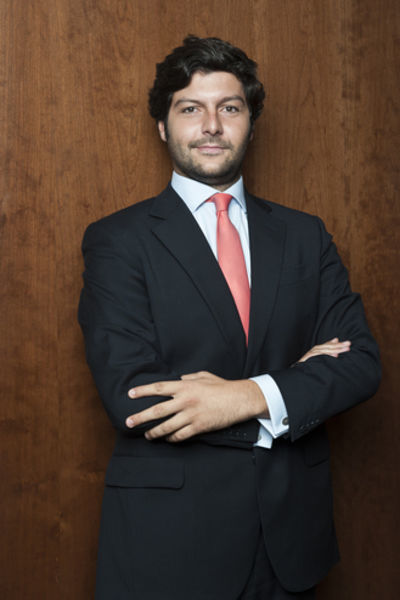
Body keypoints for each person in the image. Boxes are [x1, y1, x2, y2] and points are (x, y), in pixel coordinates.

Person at [78, 36, 380, 600]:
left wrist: (245, 396)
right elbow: (136, 398)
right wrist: (293, 384)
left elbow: (360, 363)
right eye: (191, 108)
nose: (212, 125)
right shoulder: (117, 241)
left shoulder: (304, 235)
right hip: (171, 545)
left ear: (250, 123)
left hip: (291, 545)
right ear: (163, 126)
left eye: (230, 107)